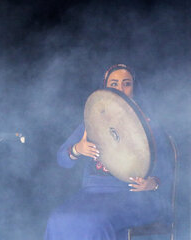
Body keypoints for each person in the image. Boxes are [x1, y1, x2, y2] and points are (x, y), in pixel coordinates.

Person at [45, 64, 174, 240]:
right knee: (57, 218)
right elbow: (62, 159)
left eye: (126, 83)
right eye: (114, 84)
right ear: (106, 87)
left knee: (96, 222)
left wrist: (153, 182)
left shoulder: (149, 126)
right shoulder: (92, 122)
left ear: (133, 88)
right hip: (92, 194)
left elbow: (167, 167)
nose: (120, 88)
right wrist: (77, 149)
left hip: (134, 196)